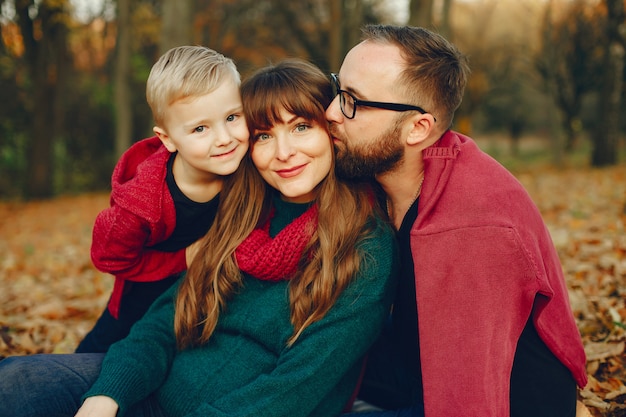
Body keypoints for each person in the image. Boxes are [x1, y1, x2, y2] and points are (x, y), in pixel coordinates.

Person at [0, 58, 398, 417]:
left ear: (331, 131)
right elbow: (166, 317)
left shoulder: (364, 248)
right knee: (15, 383)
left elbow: (293, 390)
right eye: (263, 135)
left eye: (300, 127)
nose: (283, 152)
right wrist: (107, 395)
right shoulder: (245, 210)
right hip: (155, 388)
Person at [328, 24, 588, 417]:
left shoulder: (473, 226)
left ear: (418, 128)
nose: (331, 112)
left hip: (497, 399)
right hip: (417, 368)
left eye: (354, 102)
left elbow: (468, 399)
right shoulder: (383, 177)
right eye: (337, 89)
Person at [76, 45, 249, 353]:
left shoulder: (247, 170)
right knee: (101, 356)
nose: (224, 138)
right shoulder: (141, 204)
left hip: (201, 302)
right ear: (167, 138)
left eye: (233, 117)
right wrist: (181, 259)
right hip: (141, 301)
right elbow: (108, 257)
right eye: (200, 128)